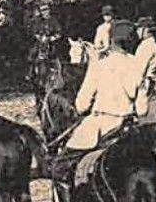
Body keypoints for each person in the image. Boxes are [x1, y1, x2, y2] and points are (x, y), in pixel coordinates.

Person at [62, 20, 146, 153]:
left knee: (62, 164)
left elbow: (81, 105)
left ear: (111, 41)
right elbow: (142, 110)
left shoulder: (99, 66)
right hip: (127, 127)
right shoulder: (137, 66)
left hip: (101, 125)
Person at [133, 16, 156, 118]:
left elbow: (139, 69)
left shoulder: (147, 46)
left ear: (146, 30)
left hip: (144, 83)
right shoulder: (147, 44)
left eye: (139, 28)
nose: (137, 31)